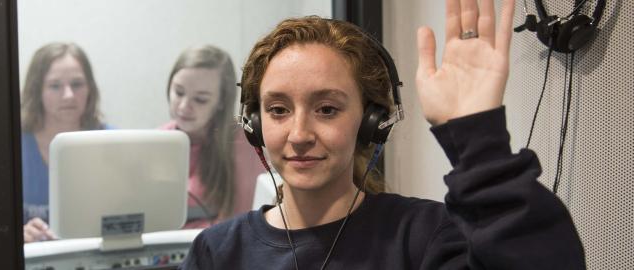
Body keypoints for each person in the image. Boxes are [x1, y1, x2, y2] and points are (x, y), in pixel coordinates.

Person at [180, 0, 586, 269]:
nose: (299, 133)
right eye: (278, 110)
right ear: (254, 122)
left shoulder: (424, 237)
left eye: (327, 109)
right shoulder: (215, 253)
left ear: (373, 119)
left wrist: (477, 138)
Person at [162, 45, 265, 228]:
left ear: (221, 102)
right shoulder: (158, 140)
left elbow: (246, 224)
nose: (184, 106)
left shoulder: (243, 141)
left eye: (200, 99)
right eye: (178, 92)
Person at [20, 42, 108, 243]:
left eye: (77, 84)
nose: (68, 95)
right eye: (55, 86)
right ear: (37, 91)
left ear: (90, 89)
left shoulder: (114, 143)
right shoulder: (10, 148)